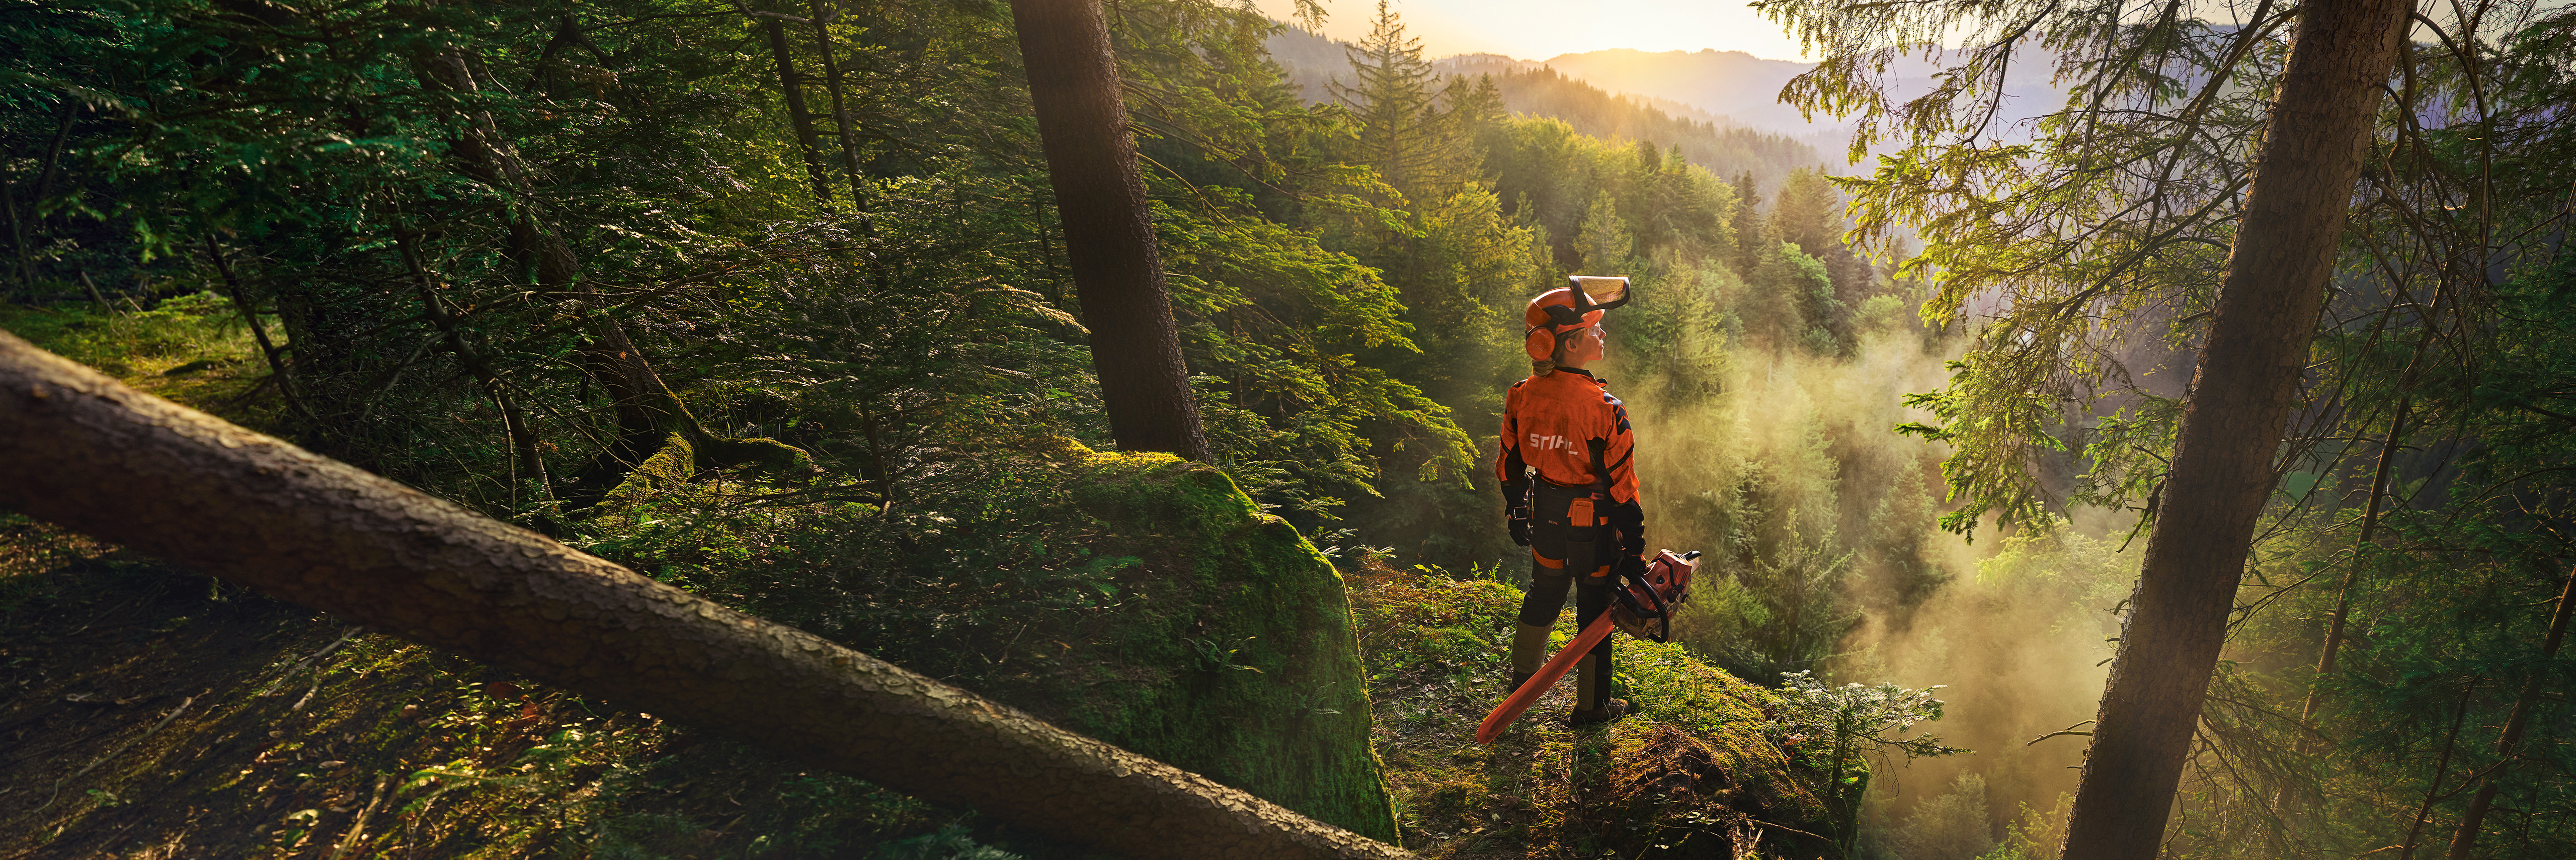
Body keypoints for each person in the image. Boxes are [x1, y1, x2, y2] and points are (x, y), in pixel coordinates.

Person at [1495, 276, 1647, 727]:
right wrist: (1634, 546)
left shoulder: (1522, 395)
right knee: (1595, 608)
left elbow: (1510, 461)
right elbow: (1623, 487)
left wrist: (1516, 505)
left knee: (1544, 592)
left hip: (1545, 512)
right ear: (1571, 342)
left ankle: (1522, 683)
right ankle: (1592, 707)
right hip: (1593, 523)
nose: (1602, 333)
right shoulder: (1606, 409)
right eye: (1595, 328)